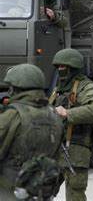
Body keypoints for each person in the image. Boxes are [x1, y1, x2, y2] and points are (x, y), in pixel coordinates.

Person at [49, 48, 93, 201]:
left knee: (75, 194)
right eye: (58, 67)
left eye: (64, 67)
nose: (60, 70)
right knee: (41, 190)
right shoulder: (58, 90)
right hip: (55, 149)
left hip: (76, 149)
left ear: (73, 68)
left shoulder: (84, 87)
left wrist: (68, 113)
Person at [0, 64, 63, 201]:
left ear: (15, 88)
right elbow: (57, 160)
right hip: (39, 191)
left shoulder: (12, 115)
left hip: (9, 191)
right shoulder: (54, 116)